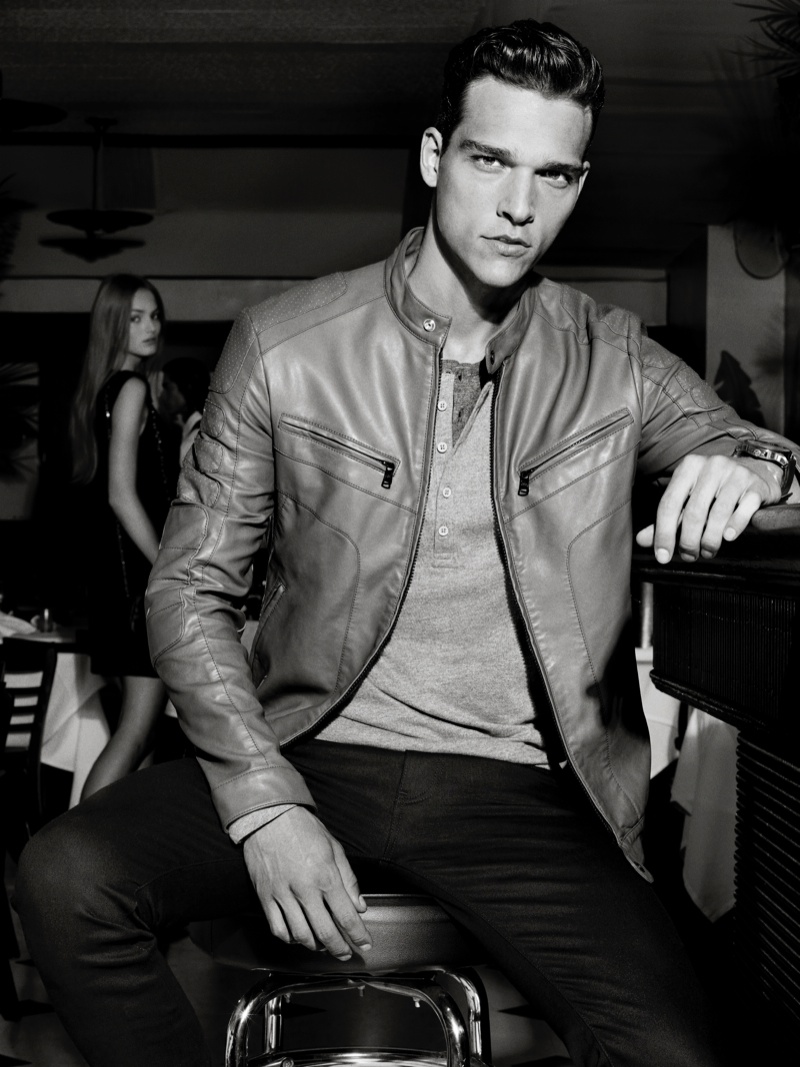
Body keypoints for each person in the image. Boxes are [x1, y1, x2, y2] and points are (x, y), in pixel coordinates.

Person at [16, 19, 800, 1067]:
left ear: (579, 182)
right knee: (65, 877)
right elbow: (190, 589)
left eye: (554, 174)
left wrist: (756, 467)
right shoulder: (286, 346)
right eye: (490, 160)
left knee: (673, 1050)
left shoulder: (612, 357)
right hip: (313, 746)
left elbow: (757, 446)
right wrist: (263, 805)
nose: (519, 205)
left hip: (522, 790)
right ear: (435, 156)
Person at [69, 274, 177, 799]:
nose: (150, 327)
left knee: (142, 740)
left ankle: (117, 845)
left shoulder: (107, 389)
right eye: (135, 318)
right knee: (136, 734)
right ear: (114, 324)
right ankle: (71, 844)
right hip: (135, 590)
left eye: (154, 316)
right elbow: (121, 495)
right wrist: (167, 565)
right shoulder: (130, 388)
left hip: (115, 588)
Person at [158, 356, 211, 465]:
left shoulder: (195, 440)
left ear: (187, 387)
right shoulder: (192, 429)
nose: (162, 395)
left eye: (168, 388)